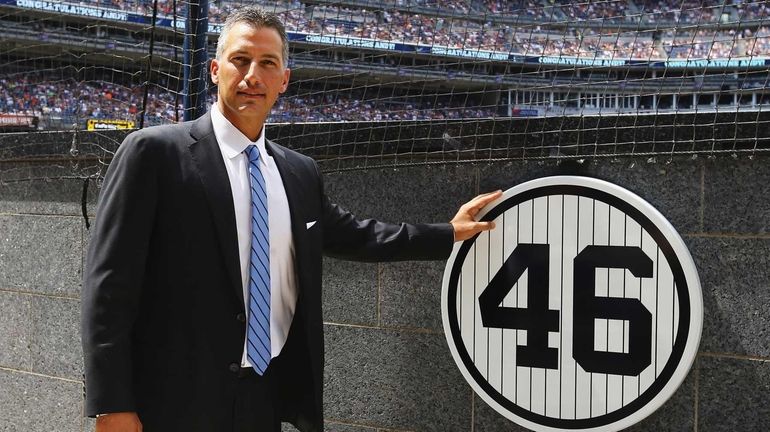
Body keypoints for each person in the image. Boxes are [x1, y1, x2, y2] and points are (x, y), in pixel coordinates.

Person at [81, 6, 501, 432]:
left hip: (264, 396)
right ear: (214, 69)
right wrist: (112, 403)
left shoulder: (298, 172)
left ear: (284, 79)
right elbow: (109, 287)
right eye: (240, 60)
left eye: (267, 64)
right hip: (170, 403)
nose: (252, 76)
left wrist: (447, 234)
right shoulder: (153, 154)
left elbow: (358, 236)